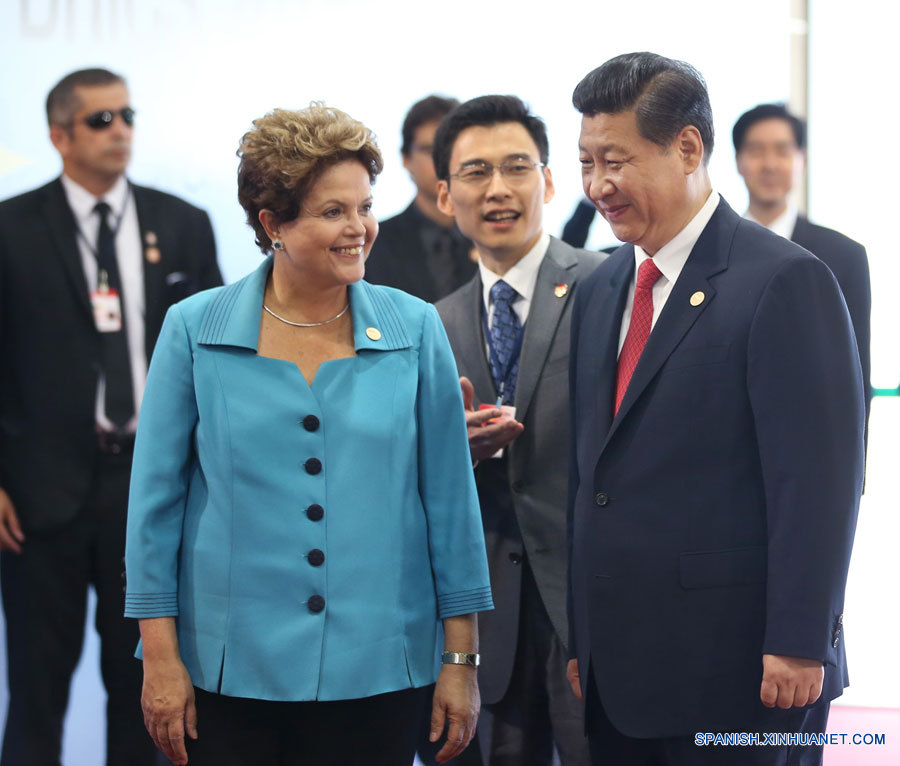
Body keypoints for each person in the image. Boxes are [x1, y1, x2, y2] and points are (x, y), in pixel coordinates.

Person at [123, 103, 493, 766]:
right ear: (273, 224)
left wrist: (460, 660)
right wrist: (159, 657)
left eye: (365, 207)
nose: (359, 229)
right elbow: (155, 508)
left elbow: (451, 504)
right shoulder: (194, 328)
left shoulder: (415, 328)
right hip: (226, 671)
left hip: (382, 668)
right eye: (332, 212)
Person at [567, 53, 864, 766]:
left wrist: (800, 640)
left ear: (687, 148)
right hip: (619, 668)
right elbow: (590, 476)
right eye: (586, 163)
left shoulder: (785, 279)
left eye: (616, 161)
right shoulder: (601, 287)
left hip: (743, 671)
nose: (599, 185)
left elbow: (818, 483)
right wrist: (584, 637)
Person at [0, 67, 221, 765]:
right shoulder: (10, 228)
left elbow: (217, 363)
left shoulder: (182, 223)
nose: (120, 130)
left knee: (146, 691)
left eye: (127, 115)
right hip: (38, 495)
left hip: (150, 489)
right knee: (37, 692)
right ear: (59, 135)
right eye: (101, 119)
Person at [433, 95, 600, 766]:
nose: (497, 189)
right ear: (445, 195)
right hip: (487, 620)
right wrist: (456, 451)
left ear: (549, 181)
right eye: (476, 172)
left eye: (516, 167)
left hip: (590, 607)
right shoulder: (431, 324)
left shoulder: (608, 287)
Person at [733, 103, 871, 422]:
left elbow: (856, 378)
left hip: (810, 433)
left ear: (802, 161)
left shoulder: (843, 256)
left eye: (782, 151)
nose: (769, 164)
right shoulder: (713, 250)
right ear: (738, 161)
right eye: (756, 151)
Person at [365, 95, 476, 302]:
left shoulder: (488, 238)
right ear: (406, 159)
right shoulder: (372, 246)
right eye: (430, 150)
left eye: (452, 149)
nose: (443, 161)